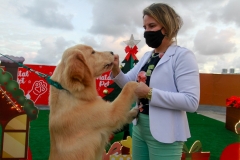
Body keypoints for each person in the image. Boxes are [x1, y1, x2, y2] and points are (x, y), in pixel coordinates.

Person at [111, 2, 200, 160]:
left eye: (152, 26)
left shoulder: (183, 56)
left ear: (167, 26)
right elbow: (128, 84)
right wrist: (116, 71)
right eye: (145, 27)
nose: (147, 32)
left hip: (167, 133)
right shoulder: (147, 56)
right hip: (140, 129)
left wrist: (150, 93)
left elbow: (191, 102)